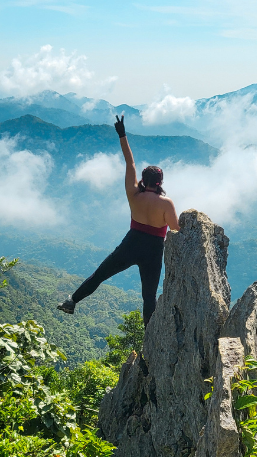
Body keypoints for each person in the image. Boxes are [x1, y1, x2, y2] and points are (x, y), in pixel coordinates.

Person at [57, 115, 180, 326]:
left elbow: (129, 161)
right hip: (153, 251)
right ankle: (149, 337)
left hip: (130, 244)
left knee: (99, 275)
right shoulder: (166, 203)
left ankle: (72, 301)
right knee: (148, 297)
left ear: (143, 179)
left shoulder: (134, 194)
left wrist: (122, 134)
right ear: (160, 182)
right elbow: (176, 230)